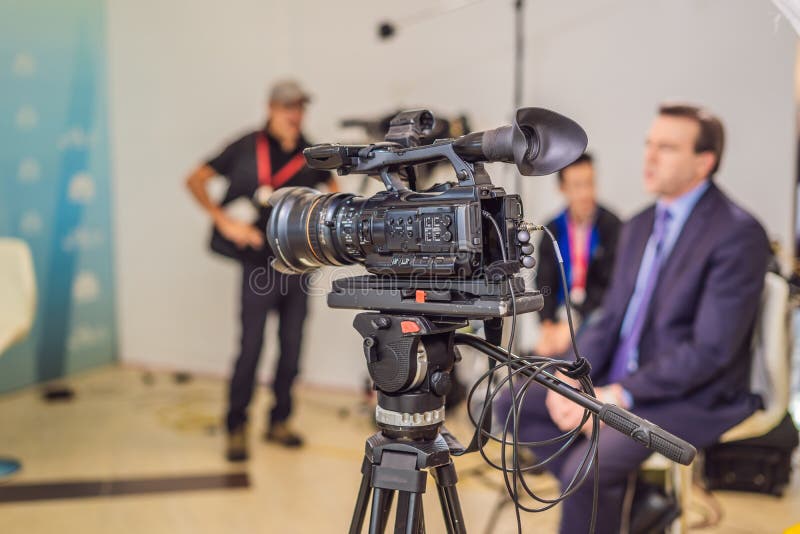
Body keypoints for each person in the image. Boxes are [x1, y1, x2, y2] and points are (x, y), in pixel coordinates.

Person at [501, 103, 769, 533]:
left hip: (690, 393)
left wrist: (617, 397)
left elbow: (710, 351)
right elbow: (609, 321)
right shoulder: (640, 224)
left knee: (585, 472)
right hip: (617, 377)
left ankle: (611, 489)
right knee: (511, 405)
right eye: (649, 144)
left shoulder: (738, 234)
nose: (649, 156)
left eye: (666, 147)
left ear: (704, 161)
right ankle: (632, 499)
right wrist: (574, 375)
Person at [186, 80, 338, 461]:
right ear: (270, 108)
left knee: (291, 351)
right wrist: (223, 221)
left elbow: (334, 195)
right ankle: (235, 425)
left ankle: (279, 422)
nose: (294, 114)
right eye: (288, 107)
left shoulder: (310, 154)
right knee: (251, 348)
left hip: (298, 268)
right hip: (258, 267)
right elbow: (196, 179)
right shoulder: (246, 147)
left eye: (300, 107)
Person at [534, 153, 622, 357]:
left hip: (596, 315)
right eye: (577, 185)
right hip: (559, 318)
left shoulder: (613, 227)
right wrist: (547, 325)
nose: (586, 193)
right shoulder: (551, 230)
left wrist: (575, 321)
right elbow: (544, 282)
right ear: (562, 188)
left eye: (590, 183)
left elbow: (611, 286)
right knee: (537, 358)